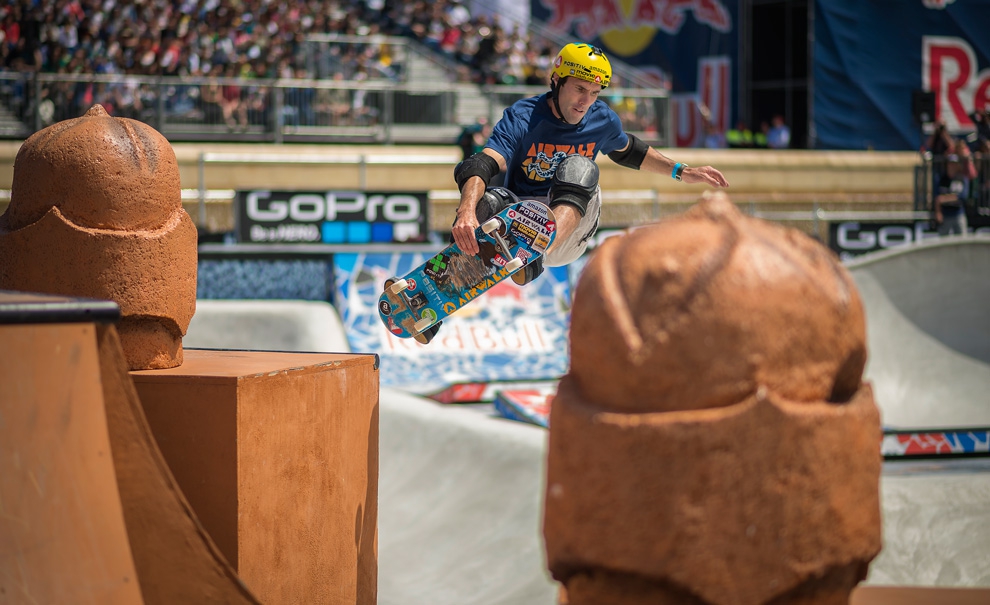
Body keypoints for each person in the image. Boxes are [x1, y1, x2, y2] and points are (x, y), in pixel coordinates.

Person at [437, 43, 728, 339]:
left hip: (568, 231)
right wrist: (466, 212)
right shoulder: (524, 116)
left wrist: (682, 171)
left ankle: (538, 250)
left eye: (594, 93)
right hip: (521, 221)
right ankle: (437, 295)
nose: (585, 102)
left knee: (580, 167)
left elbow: (629, 151)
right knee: (486, 201)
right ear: (556, 81)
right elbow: (483, 163)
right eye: (579, 89)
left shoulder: (602, 119)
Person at [932, 140, 975, 236]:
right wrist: (938, 211)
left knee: (962, 242)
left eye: (954, 164)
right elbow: (936, 196)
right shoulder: (941, 179)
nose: (952, 166)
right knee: (943, 242)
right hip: (945, 214)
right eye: (950, 163)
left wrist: (943, 199)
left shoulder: (961, 178)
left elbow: (962, 196)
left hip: (958, 214)